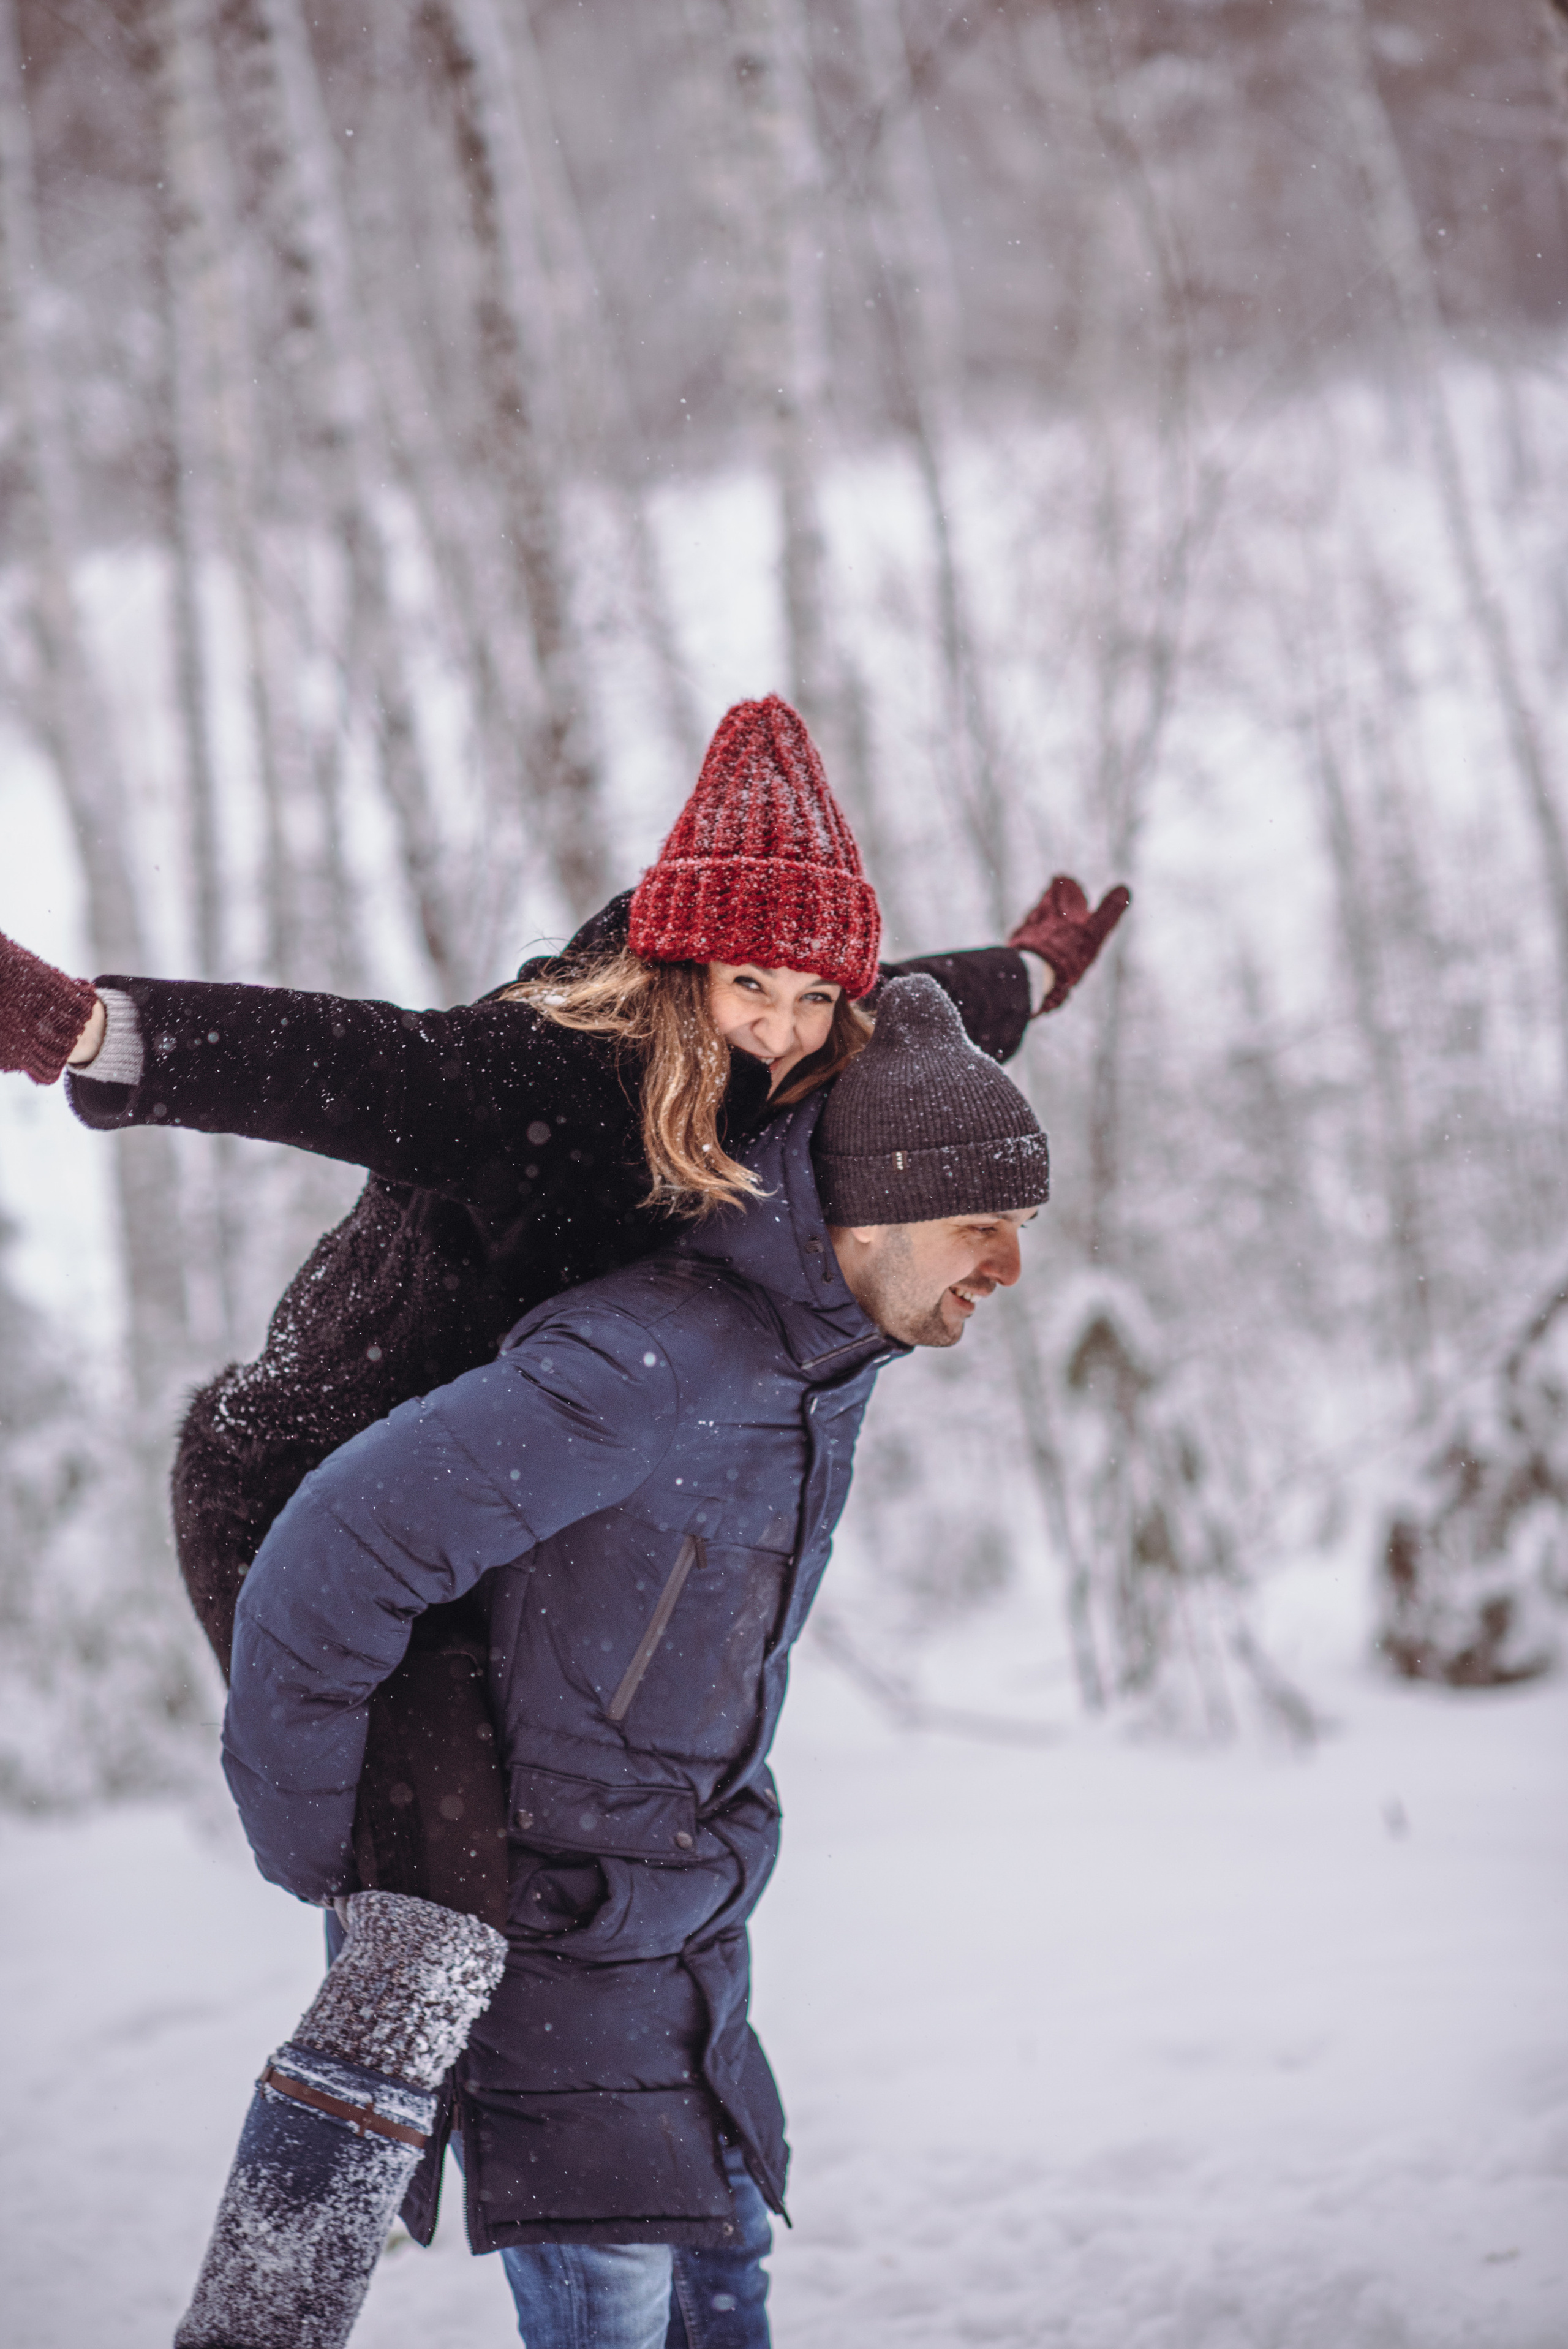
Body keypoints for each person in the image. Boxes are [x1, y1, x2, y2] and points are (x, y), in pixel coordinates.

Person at [217, 971, 1051, 2349]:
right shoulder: (650, 1363)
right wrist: (324, 1845)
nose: (1009, 1266)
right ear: (874, 1207)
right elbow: (334, 1556)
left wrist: (1022, 974)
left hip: (692, 1961)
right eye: (983, 1226)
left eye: (1020, 1228)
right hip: (565, 1970)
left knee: (726, 2315)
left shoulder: (817, 1366)